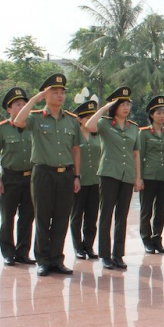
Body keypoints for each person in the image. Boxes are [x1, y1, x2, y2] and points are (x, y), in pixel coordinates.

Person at [13, 73, 81, 277]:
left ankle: (57, 260)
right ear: (46, 94)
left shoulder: (71, 120)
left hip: (66, 174)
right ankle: (43, 260)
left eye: (62, 93)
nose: (60, 96)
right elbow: (18, 122)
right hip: (43, 173)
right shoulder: (35, 117)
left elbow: (76, 149)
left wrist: (77, 176)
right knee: (43, 218)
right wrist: (34, 99)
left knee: (61, 218)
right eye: (55, 92)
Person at [85, 86, 143, 270]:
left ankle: (118, 254)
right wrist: (103, 108)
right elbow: (89, 126)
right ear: (114, 106)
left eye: (128, 104)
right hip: (109, 174)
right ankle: (105, 254)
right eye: (122, 104)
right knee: (106, 214)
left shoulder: (133, 128)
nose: (126, 108)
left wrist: (138, 177)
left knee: (122, 216)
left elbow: (135, 153)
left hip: (127, 175)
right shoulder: (104, 123)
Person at [0, 87, 35, 266]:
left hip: (30, 178)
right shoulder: (2, 129)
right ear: (9, 109)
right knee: (7, 217)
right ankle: (8, 253)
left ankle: (23, 252)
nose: (22, 107)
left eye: (24, 104)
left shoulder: (32, 126)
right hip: (10, 177)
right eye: (17, 105)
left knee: (27, 217)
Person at [139, 95, 164, 255]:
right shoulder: (144, 133)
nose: (162, 116)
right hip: (148, 176)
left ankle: (157, 238)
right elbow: (139, 156)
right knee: (146, 210)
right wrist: (138, 177)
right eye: (158, 113)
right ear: (151, 115)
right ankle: (146, 240)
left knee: (160, 209)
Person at [69, 100, 101, 260]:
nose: (91, 120)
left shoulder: (97, 136)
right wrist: (75, 176)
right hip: (79, 181)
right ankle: (77, 247)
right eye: (87, 117)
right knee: (76, 216)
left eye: (93, 116)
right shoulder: (74, 136)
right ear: (79, 119)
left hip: (95, 181)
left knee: (92, 216)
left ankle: (88, 245)